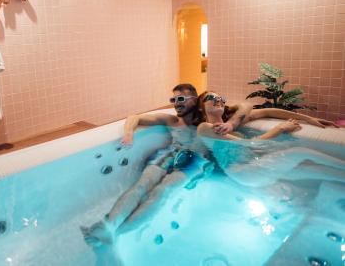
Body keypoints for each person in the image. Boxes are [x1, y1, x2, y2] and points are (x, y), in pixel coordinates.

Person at [81, 84, 253, 247]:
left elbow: (246, 106)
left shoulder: (208, 118)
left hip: (194, 161)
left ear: (195, 100)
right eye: (174, 100)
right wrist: (128, 134)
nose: (176, 104)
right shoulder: (172, 120)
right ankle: (108, 226)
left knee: (162, 191)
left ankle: (118, 234)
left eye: (181, 99)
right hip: (170, 154)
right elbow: (135, 117)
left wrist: (231, 123)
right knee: (140, 186)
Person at [196, 91, 344, 187]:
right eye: (211, 97)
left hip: (257, 166)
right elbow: (249, 145)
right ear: (201, 107)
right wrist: (279, 129)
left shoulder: (233, 122)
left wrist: (310, 118)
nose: (217, 100)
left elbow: (269, 111)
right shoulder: (205, 127)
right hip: (243, 172)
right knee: (301, 151)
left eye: (220, 98)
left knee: (317, 171)